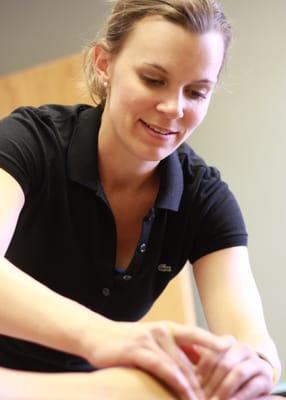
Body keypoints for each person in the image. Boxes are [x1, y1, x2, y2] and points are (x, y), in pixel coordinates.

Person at [0, 0, 281, 399]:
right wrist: (106, 337)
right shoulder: (29, 141)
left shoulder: (204, 197)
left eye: (197, 92)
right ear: (104, 64)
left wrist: (251, 369)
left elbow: (255, 344)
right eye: (153, 79)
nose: (173, 109)